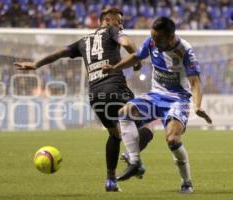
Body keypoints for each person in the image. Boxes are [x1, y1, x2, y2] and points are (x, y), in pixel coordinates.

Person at [14, 8, 153, 192]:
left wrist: (36, 64)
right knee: (147, 127)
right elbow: (127, 41)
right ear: (107, 20)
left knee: (114, 134)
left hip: (95, 95)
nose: (121, 25)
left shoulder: (83, 42)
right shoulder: (112, 31)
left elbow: (59, 53)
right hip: (115, 89)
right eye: (118, 21)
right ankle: (131, 156)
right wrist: (137, 60)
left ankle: (111, 180)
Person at [102, 17, 212, 194]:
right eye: (152, 37)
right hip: (155, 96)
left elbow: (195, 82)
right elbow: (136, 56)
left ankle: (186, 182)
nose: (154, 42)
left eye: (158, 39)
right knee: (124, 112)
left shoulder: (185, 51)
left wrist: (197, 106)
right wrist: (115, 67)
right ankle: (135, 162)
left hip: (178, 99)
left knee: (172, 140)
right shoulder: (152, 42)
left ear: (170, 37)